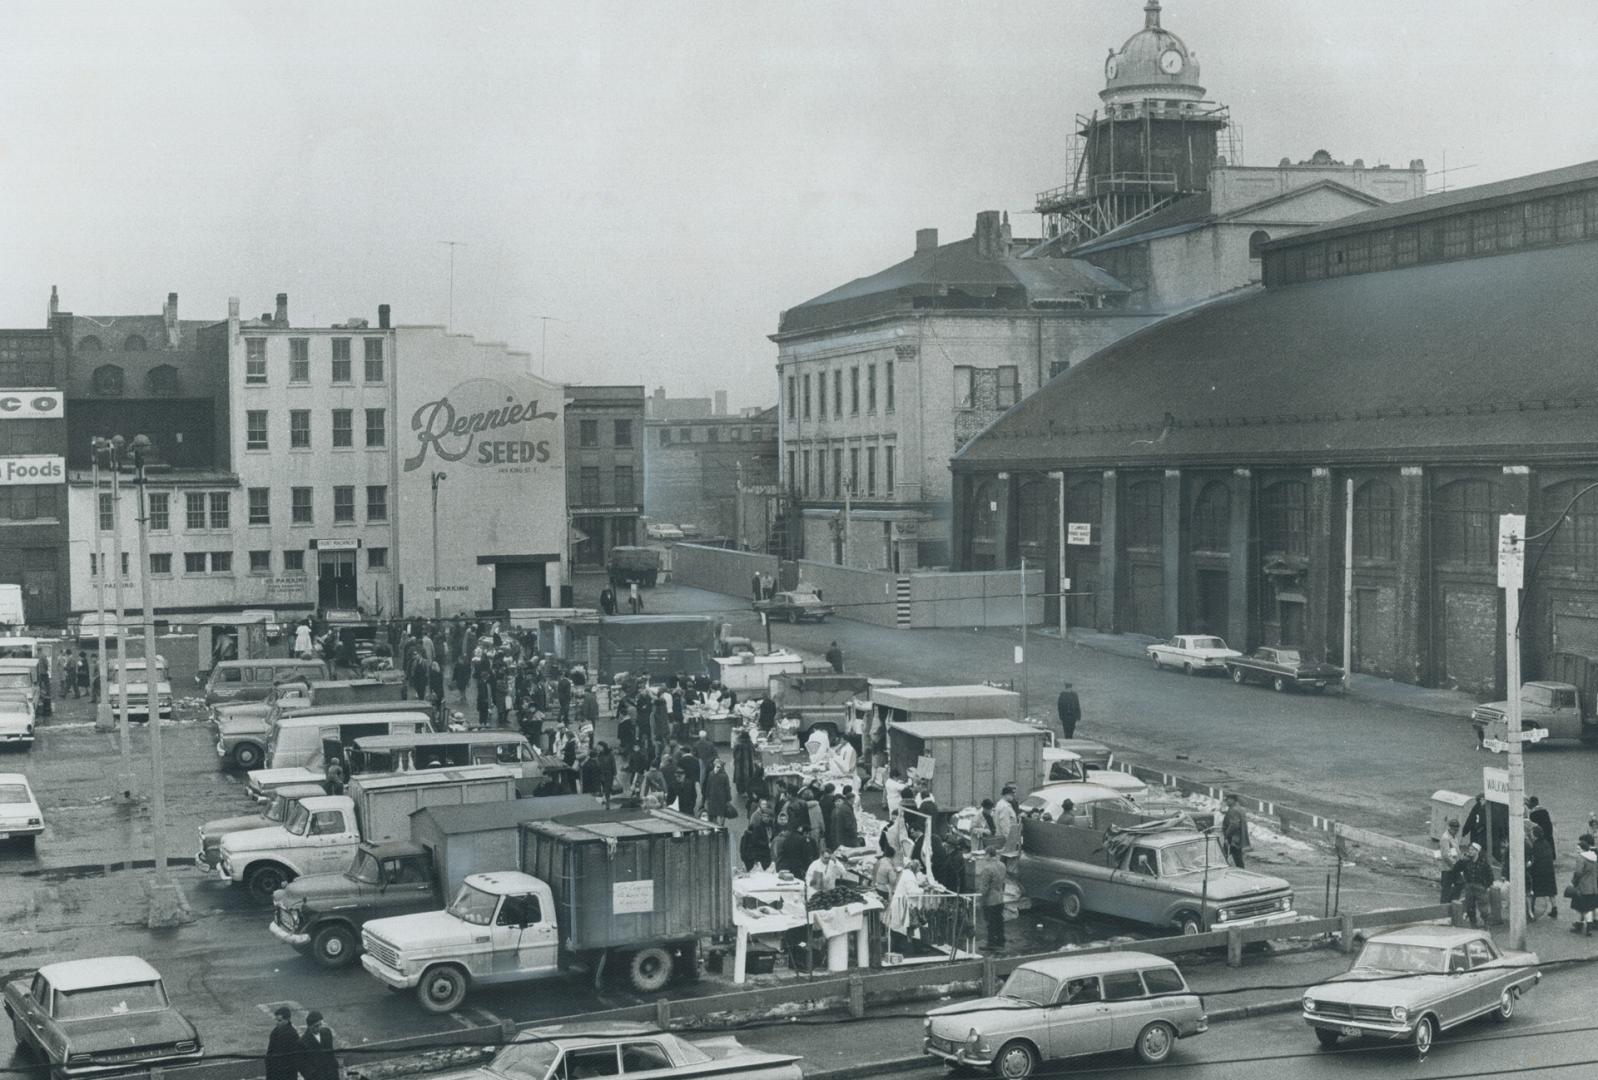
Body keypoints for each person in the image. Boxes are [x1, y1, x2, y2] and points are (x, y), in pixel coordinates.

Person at [974, 841, 1007, 950]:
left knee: (990, 922)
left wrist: (978, 900)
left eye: (985, 854)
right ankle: (1001, 940)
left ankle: (991, 943)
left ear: (989, 854)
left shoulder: (987, 869)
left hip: (990, 900)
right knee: (999, 920)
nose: (984, 857)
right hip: (1000, 897)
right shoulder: (1002, 865)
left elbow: (984, 888)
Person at [1457, 842, 1495, 928]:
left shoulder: (1483, 862)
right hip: (1469, 886)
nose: (1470, 851)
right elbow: (1456, 869)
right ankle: (1473, 925)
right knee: (1470, 906)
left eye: (1472, 850)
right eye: (1469, 849)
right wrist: (1461, 860)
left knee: (1483, 907)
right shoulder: (1466, 861)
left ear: (1477, 851)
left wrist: (1486, 885)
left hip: (1480, 886)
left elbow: (1490, 875)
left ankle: (1487, 924)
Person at [1527, 823, 1557, 921]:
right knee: (1550, 891)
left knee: (1533, 892)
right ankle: (1554, 908)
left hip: (1539, 873)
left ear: (1535, 835)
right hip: (1549, 871)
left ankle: (1531, 910)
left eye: (1532, 834)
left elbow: (1534, 860)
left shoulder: (1535, 846)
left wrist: (1530, 867)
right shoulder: (1546, 843)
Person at [1571, 834, 1598, 936]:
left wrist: (1574, 882)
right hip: (1593, 886)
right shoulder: (1594, 858)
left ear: (1582, 848)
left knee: (1581, 907)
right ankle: (1589, 928)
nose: (1577, 850)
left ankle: (1580, 925)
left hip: (1583, 886)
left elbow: (1578, 872)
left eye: (1578, 848)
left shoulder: (1581, 859)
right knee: (1590, 907)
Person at [299, 1011, 338, 1080]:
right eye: (316, 1026)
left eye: (320, 1024)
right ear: (309, 1026)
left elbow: (331, 1054)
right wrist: (313, 1076)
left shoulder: (327, 1032)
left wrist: (334, 1070)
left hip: (331, 1075)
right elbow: (302, 1065)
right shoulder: (302, 1042)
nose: (319, 1027)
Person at [265, 1006, 300, 1080]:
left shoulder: (293, 1035)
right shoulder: (275, 1032)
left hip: (286, 1073)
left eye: (279, 1021)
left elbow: (294, 1058)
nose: (277, 1023)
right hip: (275, 1072)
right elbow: (269, 1053)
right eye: (277, 1020)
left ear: (287, 1019)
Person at [1437, 819, 1463, 904]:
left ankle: (1452, 902)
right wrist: (1454, 867)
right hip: (1448, 868)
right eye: (1454, 829)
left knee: (1460, 883)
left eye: (1457, 830)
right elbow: (1445, 855)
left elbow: (1456, 851)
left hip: (1454, 866)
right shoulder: (1445, 838)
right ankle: (1443, 908)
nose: (1455, 831)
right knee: (1446, 889)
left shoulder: (1454, 837)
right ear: (1450, 828)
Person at [1221, 793, 1249, 868]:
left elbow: (1234, 824)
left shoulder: (1233, 810)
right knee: (1237, 858)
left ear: (1232, 800)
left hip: (1233, 839)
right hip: (1238, 838)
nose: (1226, 802)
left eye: (1227, 800)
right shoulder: (1240, 808)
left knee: (1223, 856)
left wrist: (1227, 835)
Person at [704, 759, 733, 824]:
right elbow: (727, 788)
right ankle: (721, 826)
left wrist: (706, 797)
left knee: (713, 813)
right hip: (721, 798)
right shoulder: (725, 776)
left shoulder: (711, 774)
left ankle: (714, 825)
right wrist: (729, 799)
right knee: (721, 813)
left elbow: (708, 786)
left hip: (712, 797)